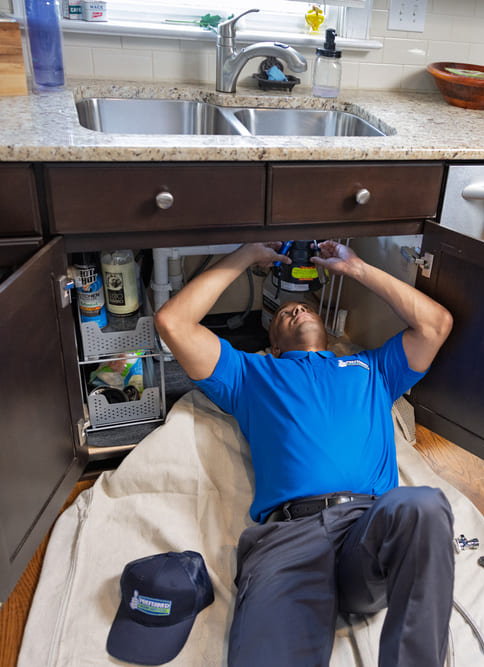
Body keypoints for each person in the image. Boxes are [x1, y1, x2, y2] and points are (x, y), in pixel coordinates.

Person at [154, 240, 455, 667]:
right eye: (283, 313)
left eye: (306, 307)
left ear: (329, 331)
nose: (296, 309)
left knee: (423, 505)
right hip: (290, 537)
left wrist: (358, 269)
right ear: (273, 345)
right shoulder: (249, 374)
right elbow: (173, 322)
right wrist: (245, 257)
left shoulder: (374, 369)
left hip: (368, 531)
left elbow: (435, 324)